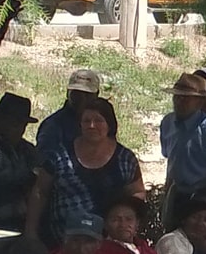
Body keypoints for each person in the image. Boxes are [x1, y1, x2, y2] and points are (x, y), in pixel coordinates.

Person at [40, 93, 144, 243]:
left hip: (111, 242)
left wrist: (124, 220)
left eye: (98, 121)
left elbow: (137, 192)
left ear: (110, 125)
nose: (92, 125)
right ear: (79, 125)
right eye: (86, 121)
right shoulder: (60, 155)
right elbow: (40, 192)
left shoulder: (125, 158)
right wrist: (31, 233)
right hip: (63, 241)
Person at [0, 94, 48, 254]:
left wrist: (30, 232)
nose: (16, 128)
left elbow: (39, 186)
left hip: (21, 227)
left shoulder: (28, 151)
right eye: (11, 122)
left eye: (21, 124)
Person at [34, 68, 103, 154]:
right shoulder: (53, 126)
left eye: (87, 95)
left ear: (96, 95)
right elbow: (44, 159)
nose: (82, 99)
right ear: (68, 93)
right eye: (76, 94)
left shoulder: (102, 124)